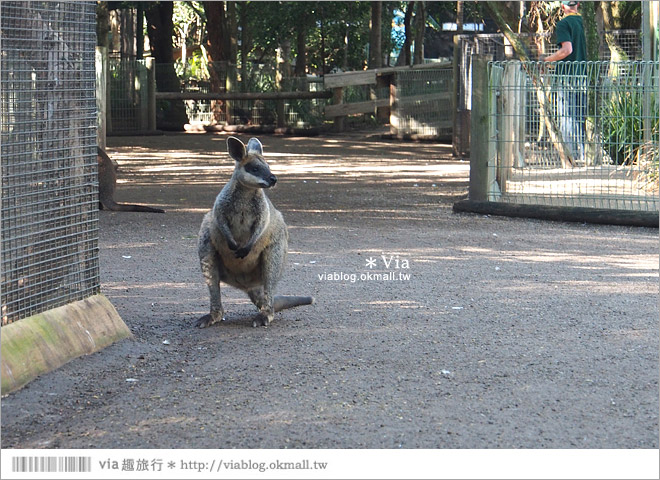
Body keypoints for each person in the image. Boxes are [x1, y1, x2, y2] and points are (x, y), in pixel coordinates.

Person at [543, 1, 588, 164]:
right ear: (578, 5)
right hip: (585, 77)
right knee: (582, 117)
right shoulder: (586, 23)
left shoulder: (563, 23)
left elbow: (566, 50)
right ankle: (585, 154)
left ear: (562, 7)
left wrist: (546, 60)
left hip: (567, 77)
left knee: (567, 117)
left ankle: (571, 157)